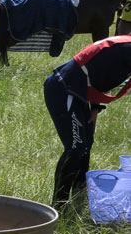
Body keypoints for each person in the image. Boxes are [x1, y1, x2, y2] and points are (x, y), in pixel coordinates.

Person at [44, 35, 131, 210]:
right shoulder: (127, 48)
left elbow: (98, 73)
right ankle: (58, 206)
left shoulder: (125, 45)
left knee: (86, 145)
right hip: (64, 89)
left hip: (79, 93)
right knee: (76, 148)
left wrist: (95, 109)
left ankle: (79, 196)